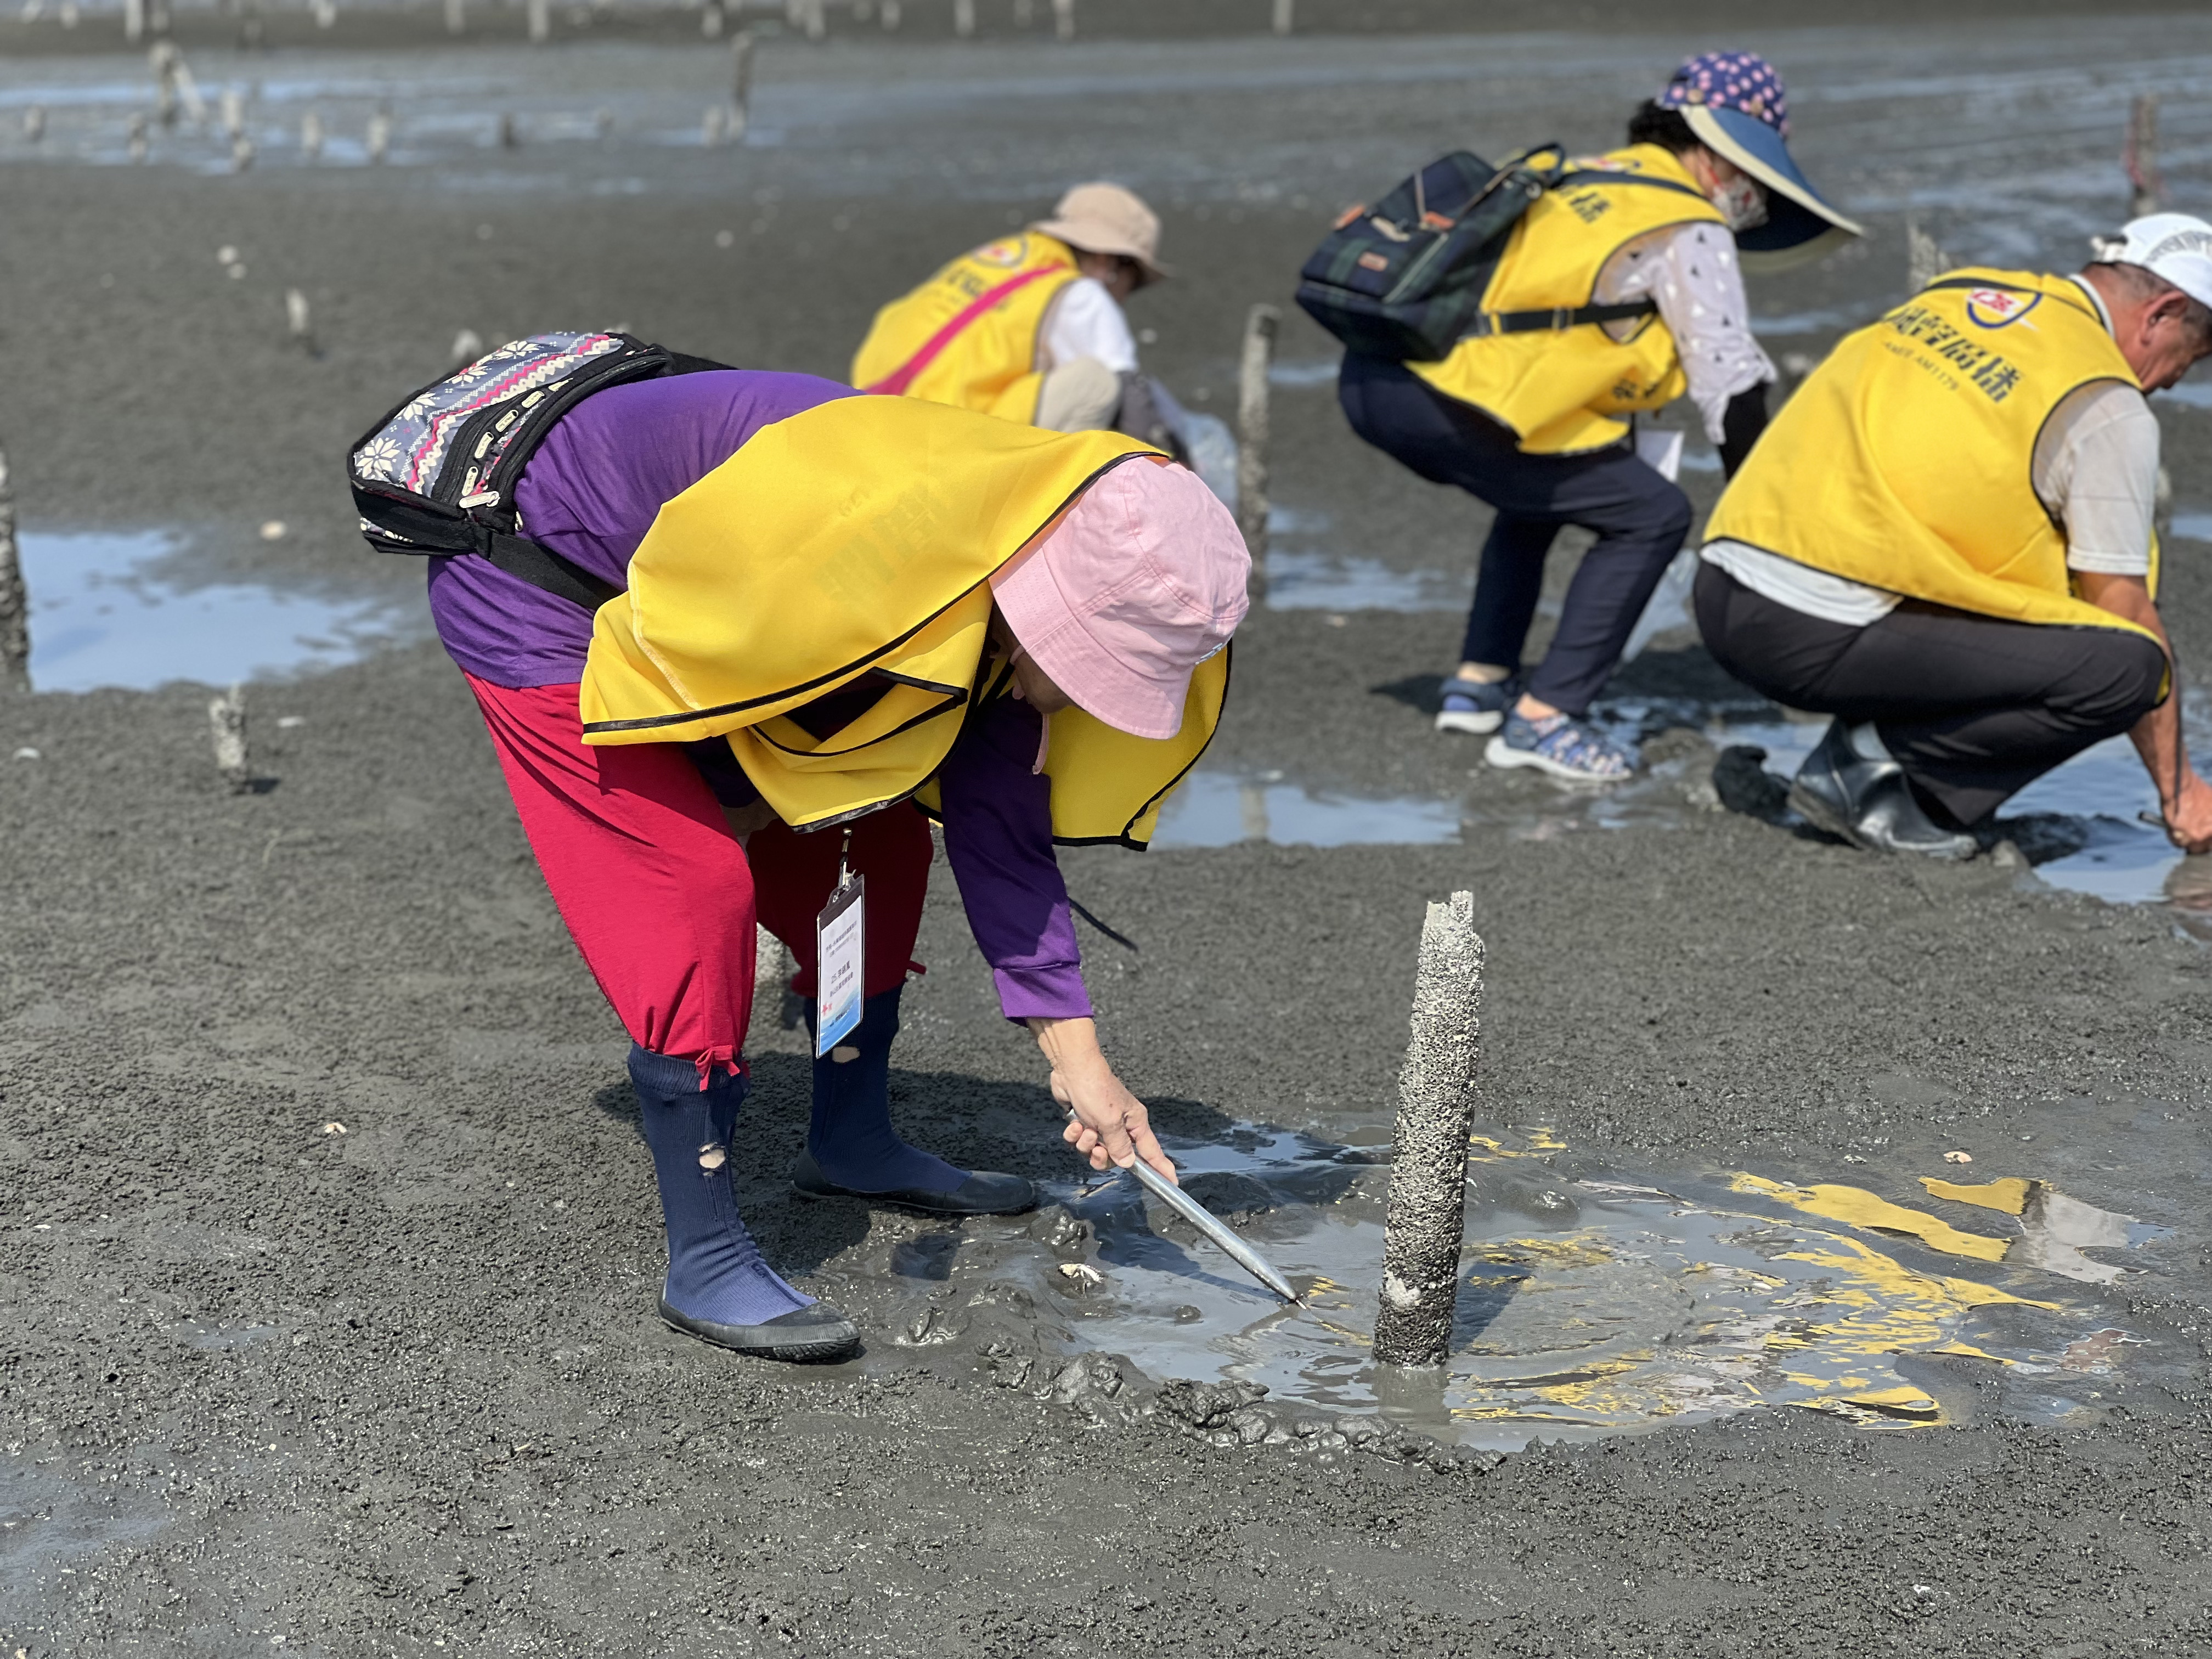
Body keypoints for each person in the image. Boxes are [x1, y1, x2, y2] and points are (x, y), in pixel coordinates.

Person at [422, 372, 1247, 1361]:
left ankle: (851, 1138)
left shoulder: (1007, 554)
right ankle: (707, 1252)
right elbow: (719, 692)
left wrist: (1081, 1065)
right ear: (1048, 597)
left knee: (880, 844)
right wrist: (739, 806)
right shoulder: (880, 540)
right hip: (536, 568)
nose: (1084, 700)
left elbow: (1002, 832)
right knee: (693, 884)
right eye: (1088, 666)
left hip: (727, 599)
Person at [1336, 52, 1859, 780]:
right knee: (1653, 515)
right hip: (1452, 402)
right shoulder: (1684, 222)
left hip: (1375, 373)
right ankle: (1546, 720)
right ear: (1717, 153)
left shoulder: (1576, 172)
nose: (1753, 191)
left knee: (1545, 488)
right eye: (1753, 168)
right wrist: (1762, 510)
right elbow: (1732, 385)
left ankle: (1479, 687)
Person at [1695, 215, 2212, 857]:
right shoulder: (2105, 400)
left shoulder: (1961, 292)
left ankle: (1871, 742)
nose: (2166, 383)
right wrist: (2182, 792)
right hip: (1808, 631)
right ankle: (1878, 774)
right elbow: (2124, 612)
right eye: (2185, 362)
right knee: (2128, 668)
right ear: (2161, 313)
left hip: (1721, 584)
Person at [850, 182, 1175, 440]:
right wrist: (1172, 468)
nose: (1125, 299)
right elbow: (1134, 402)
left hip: (876, 413)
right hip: (941, 441)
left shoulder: (1005, 259)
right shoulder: (1083, 293)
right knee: (1098, 383)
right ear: (1108, 263)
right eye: (1134, 284)